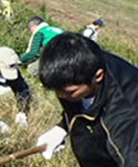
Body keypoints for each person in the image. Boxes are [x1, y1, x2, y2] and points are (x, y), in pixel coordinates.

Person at [35, 32, 138, 166]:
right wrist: (62, 128)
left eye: (69, 92)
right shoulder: (78, 66)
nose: (60, 96)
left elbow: (132, 157)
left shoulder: (124, 110)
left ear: (98, 76)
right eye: (56, 90)